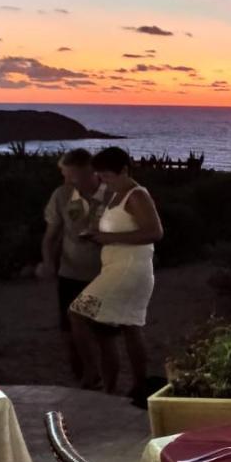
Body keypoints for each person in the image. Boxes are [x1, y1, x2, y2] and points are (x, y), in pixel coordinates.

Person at [68, 147, 163, 402]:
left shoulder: (137, 195)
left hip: (130, 269)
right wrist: (95, 236)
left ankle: (93, 375)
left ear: (124, 170)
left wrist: (108, 238)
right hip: (115, 266)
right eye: (101, 175)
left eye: (108, 175)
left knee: (77, 312)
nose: (104, 180)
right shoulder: (115, 195)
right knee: (128, 326)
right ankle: (136, 386)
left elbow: (154, 232)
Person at [38, 148, 109, 382]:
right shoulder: (61, 195)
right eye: (64, 175)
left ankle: (104, 378)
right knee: (69, 329)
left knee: (102, 332)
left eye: (72, 176)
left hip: (104, 273)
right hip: (70, 272)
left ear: (91, 173)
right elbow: (51, 236)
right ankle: (84, 375)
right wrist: (48, 262)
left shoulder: (112, 195)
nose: (67, 180)